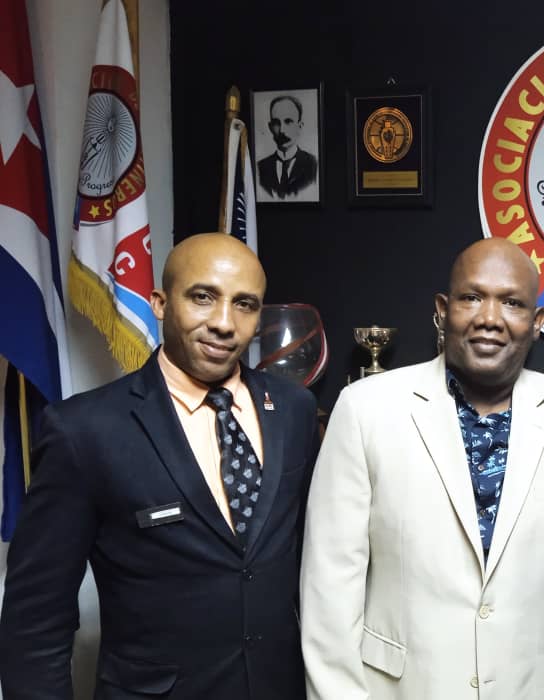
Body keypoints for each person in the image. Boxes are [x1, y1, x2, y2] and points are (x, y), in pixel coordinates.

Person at [0, 233, 319, 699]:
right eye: (203, 297)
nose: (224, 323)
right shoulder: (84, 430)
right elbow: (36, 617)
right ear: (160, 304)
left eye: (244, 304)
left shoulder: (294, 409)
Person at [300, 237, 544, 699]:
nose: (490, 318)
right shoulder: (365, 409)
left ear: (537, 323)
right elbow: (330, 584)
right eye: (472, 297)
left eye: (512, 303)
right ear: (442, 311)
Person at [257, 95, 318, 199]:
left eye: (288, 121)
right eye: (276, 123)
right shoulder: (260, 168)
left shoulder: (313, 165)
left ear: (300, 126)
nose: (282, 130)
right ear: (270, 127)